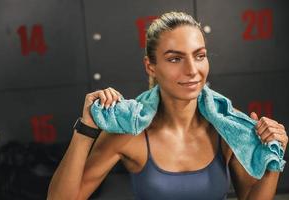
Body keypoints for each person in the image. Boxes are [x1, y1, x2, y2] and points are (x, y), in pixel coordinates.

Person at [47, 11, 288, 200]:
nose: (192, 70)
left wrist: (273, 157)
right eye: (175, 59)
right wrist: (85, 128)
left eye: (200, 55)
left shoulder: (229, 127)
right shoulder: (130, 132)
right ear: (150, 66)